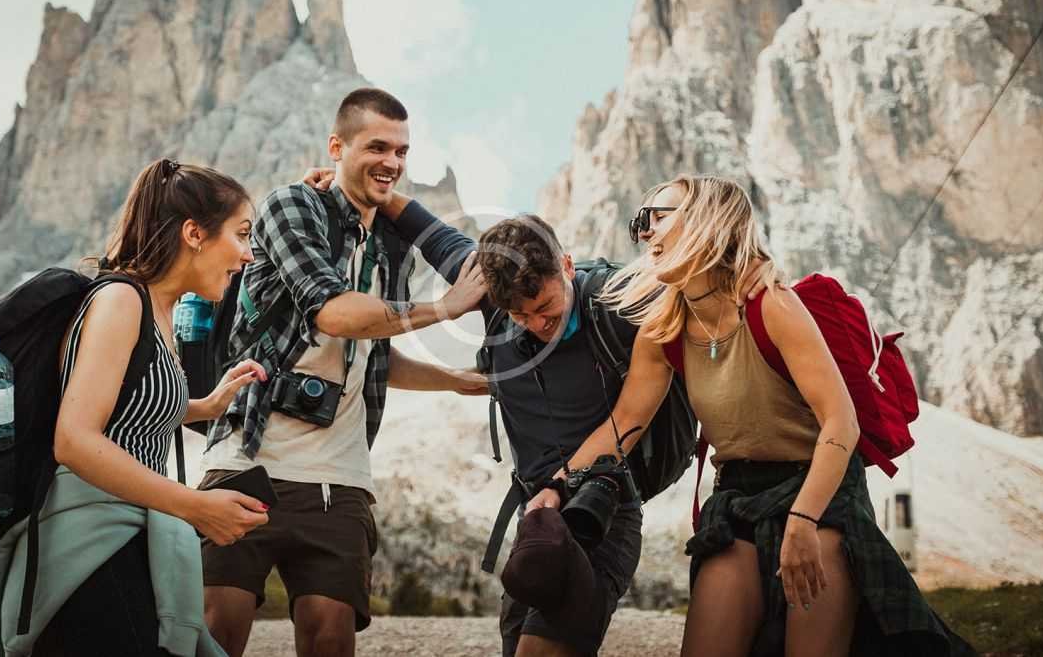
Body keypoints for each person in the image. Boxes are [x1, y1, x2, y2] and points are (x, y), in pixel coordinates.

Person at [299, 164, 763, 657]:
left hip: (601, 512)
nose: (536, 324)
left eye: (546, 308)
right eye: (519, 315)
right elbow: (427, 230)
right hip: (538, 518)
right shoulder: (491, 293)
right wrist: (355, 181)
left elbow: (701, 289)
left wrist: (560, 485)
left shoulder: (619, 304)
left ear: (566, 266)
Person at [561, 175, 975, 656]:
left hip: (819, 492)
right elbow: (624, 424)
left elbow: (841, 422)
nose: (644, 232)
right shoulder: (663, 329)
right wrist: (555, 486)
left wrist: (804, 519)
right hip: (737, 496)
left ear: (707, 220)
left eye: (658, 217)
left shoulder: (771, 305)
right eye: (640, 222)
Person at [199, 88, 489, 657]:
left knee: (331, 638)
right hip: (248, 459)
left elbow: (373, 353)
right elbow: (333, 313)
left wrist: (454, 380)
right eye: (377, 147)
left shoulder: (392, 244)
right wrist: (444, 308)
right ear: (336, 146)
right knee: (215, 633)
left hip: (341, 477)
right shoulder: (291, 207)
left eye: (402, 151)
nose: (392, 162)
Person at [34, 158, 273, 654]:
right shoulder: (122, 300)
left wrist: (205, 405)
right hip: (89, 543)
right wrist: (196, 507)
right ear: (194, 233)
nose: (248, 255)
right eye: (241, 235)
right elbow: (74, 440)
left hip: (129, 532)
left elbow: (126, 404)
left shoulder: (160, 310)